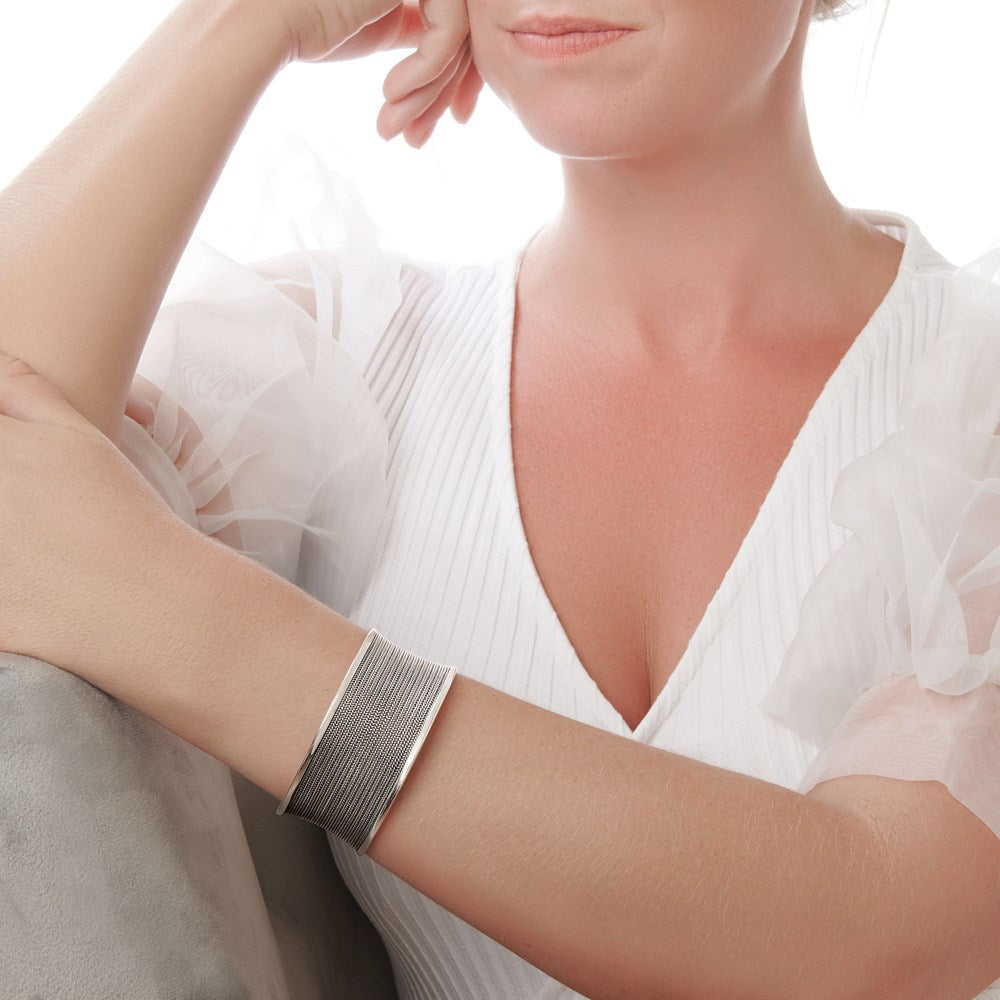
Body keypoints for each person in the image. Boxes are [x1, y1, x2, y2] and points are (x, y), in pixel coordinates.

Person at [0, 0, 998, 997]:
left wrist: (173, 612)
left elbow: (879, 936)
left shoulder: (978, 402)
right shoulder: (352, 364)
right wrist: (242, 24)